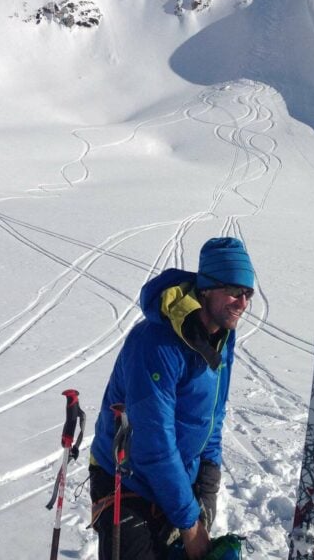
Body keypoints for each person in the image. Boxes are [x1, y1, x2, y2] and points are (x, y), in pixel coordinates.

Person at [90, 236, 255, 560]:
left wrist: (207, 484)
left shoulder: (223, 337)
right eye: (235, 291)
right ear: (206, 288)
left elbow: (212, 416)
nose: (243, 303)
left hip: (177, 476)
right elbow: (153, 443)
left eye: (248, 293)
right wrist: (190, 523)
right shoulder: (156, 343)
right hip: (126, 478)